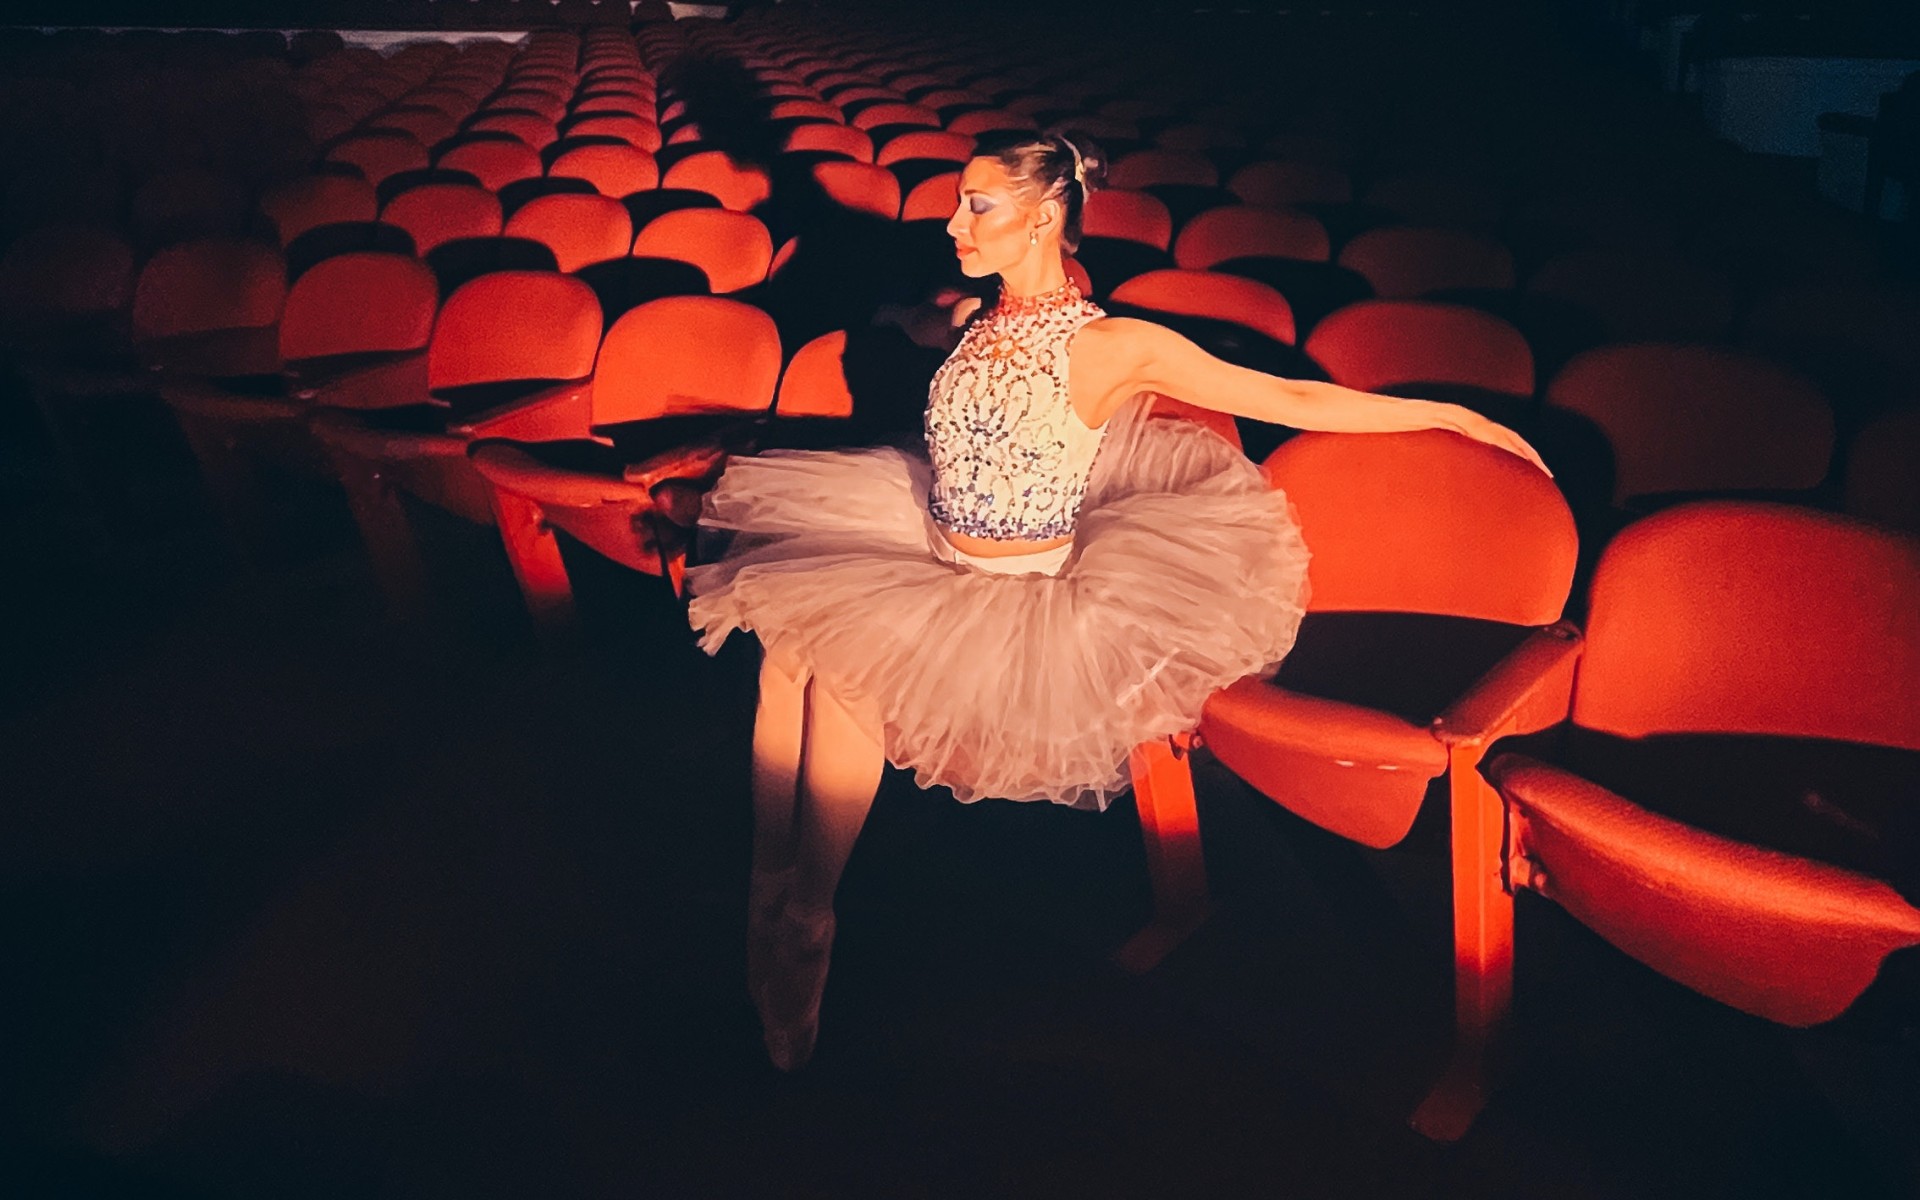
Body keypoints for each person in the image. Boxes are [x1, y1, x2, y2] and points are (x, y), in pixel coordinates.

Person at [684, 129, 1551, 1071]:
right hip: (921, 545)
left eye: (976, 205)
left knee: (844, 667)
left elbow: (1284, 394)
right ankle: (767, 883)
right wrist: (900, 321)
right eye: (957, 203)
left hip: (1012, 591)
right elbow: (914, 322)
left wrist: (1453, 414)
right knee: (787, 651)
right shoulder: (974, 315)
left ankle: (810, 917)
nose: (952, 222)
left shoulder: (1114, 344)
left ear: (1045, 215)